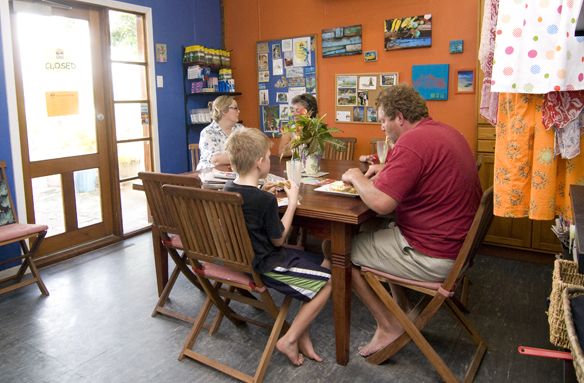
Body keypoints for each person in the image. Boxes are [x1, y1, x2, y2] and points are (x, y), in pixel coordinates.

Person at [340, 84, 482, 357]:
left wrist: (357, 177)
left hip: (434, 255)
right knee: (385, 230)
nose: (382, 127)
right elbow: (424, 168)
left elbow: (382, 204)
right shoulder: (444, 131)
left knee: (337, 250)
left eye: (383, 120)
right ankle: (401, 308)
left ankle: (388, 325)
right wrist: (386, 168)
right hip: (458, 248)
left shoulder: (412, 141)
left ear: (399, 116)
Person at [223, 128, 332, 366]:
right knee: (328, 281)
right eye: (268, 156)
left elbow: (250, 217)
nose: (270, 160)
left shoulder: (229, 190)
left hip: (244, 261)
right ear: (260, 162)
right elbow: (279, 239)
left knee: (322, 262)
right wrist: (292, 203)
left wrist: (263, 192)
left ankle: (302, 333)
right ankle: (289, 339)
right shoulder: (265, 201)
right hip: (268, 265)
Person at [196, 95, 244, 170]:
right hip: (210, 176)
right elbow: (216, 160)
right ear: (224, 111)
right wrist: (245, 157)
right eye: (235, 108)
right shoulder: (208, 132)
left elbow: (253, 150)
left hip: (234, 173)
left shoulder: (240, 129)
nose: (239, 111)